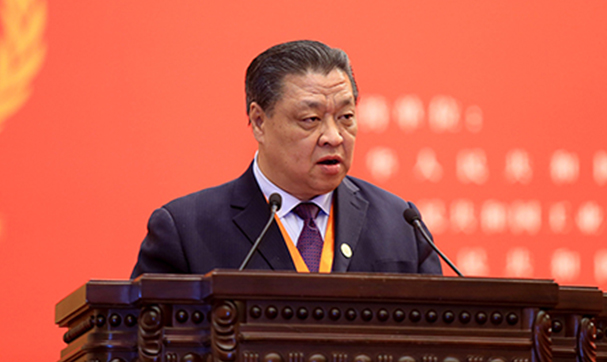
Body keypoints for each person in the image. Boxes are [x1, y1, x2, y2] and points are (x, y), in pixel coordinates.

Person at [131, 40, 442, 277]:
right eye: (310, 119)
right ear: (259, 121)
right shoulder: (187, 231)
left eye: (346, 117)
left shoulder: (401, 223)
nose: (334, 136)